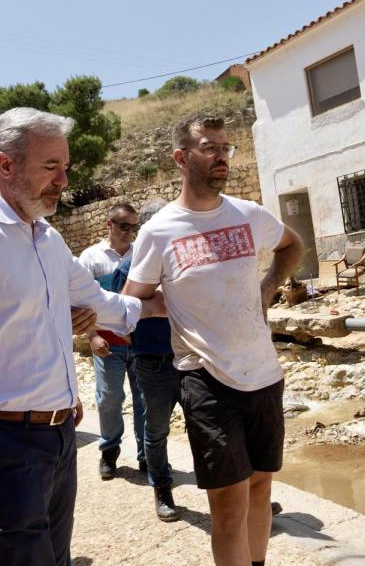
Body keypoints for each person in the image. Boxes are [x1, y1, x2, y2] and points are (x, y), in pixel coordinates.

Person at [0, 107, 165, 566]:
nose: (63, 180)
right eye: (50, 167)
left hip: (58, 438)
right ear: (6, 166)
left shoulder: (47, 239)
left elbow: (101, 301)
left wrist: (166, 304)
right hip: (2, 443)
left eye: (65, 167)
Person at [124, 116, 304, 566]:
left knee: (261, 488)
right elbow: (132, 301)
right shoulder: (159, 230)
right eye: (209, 147)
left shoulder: (248, 214)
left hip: (264, 373)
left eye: (226, 147)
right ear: (181, 158)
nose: (222, 155)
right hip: (205, 380)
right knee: (227, 509)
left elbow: (292, 245)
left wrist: (268, 286)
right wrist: (170, 304)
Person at [109, 198, 179, 521]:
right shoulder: (127, 269)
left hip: (190, 357)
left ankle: (232, 493)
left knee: (211, 426)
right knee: (156, 430)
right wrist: (139, 344)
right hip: (152, 363)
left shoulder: (181, 261)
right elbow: (115, 320)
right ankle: (162, 490)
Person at [78, 202, 146, 480]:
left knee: (145, 400)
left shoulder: (143, 255)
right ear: (110, 224)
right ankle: (109, 451)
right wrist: (92, 336)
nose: (129, 232)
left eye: (134, 227)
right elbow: (81, 303)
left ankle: (148, 455)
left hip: (141, 344)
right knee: (109, 398)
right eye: (124, 226)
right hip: (107, 344)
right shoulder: (91, 258)